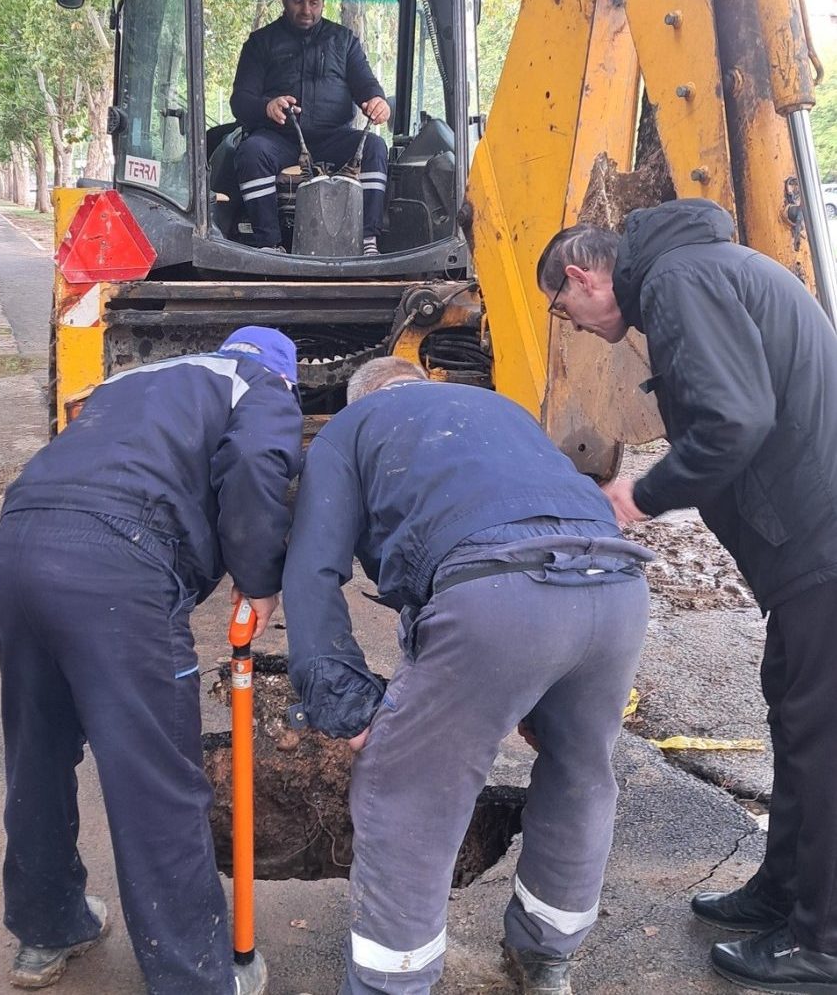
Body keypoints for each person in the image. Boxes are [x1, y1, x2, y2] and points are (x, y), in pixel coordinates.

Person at [537, 198, 837, 994]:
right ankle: (783, 894)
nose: (571, 325)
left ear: (579, 275)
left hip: (822, 546)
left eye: (563, 310)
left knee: (823, 741)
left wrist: (638, 494)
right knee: (797, 718)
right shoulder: (704, 268)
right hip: (807, 548)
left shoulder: (675, 277)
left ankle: (824, 943)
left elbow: (734, 420)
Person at [282, 356, 653, 995]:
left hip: (498, 596)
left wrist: (342, 699)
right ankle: (546, 956)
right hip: (616, 590)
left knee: (409, 789)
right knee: (581, 767)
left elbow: (312, 569)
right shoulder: (504, 409)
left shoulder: (350, 429)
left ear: (360, 397)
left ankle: (389, 984)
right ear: (421, 382)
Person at [0, 327, 303, 994]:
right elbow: (253, 461)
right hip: (117, 560)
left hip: (17, 542)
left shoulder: (128, 380)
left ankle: (48, 928)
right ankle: (195, 977)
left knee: (37, 751)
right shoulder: (259, 383)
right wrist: (260, 575)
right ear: (284, 375)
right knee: (156, 779)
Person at [230, 0, 391, 255]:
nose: (306, 10)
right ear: (284, 0)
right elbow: (240, 101)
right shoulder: (260, 43)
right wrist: (266, 106)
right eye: (298, 1)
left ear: (323, 2)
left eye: (313, 2)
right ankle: (269, 244)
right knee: (251, 152)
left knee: (376, 147)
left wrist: (376, 100)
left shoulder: (345, 41)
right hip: (279, 138)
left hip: (334, 137)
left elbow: (366, 84)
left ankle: (367, 242)